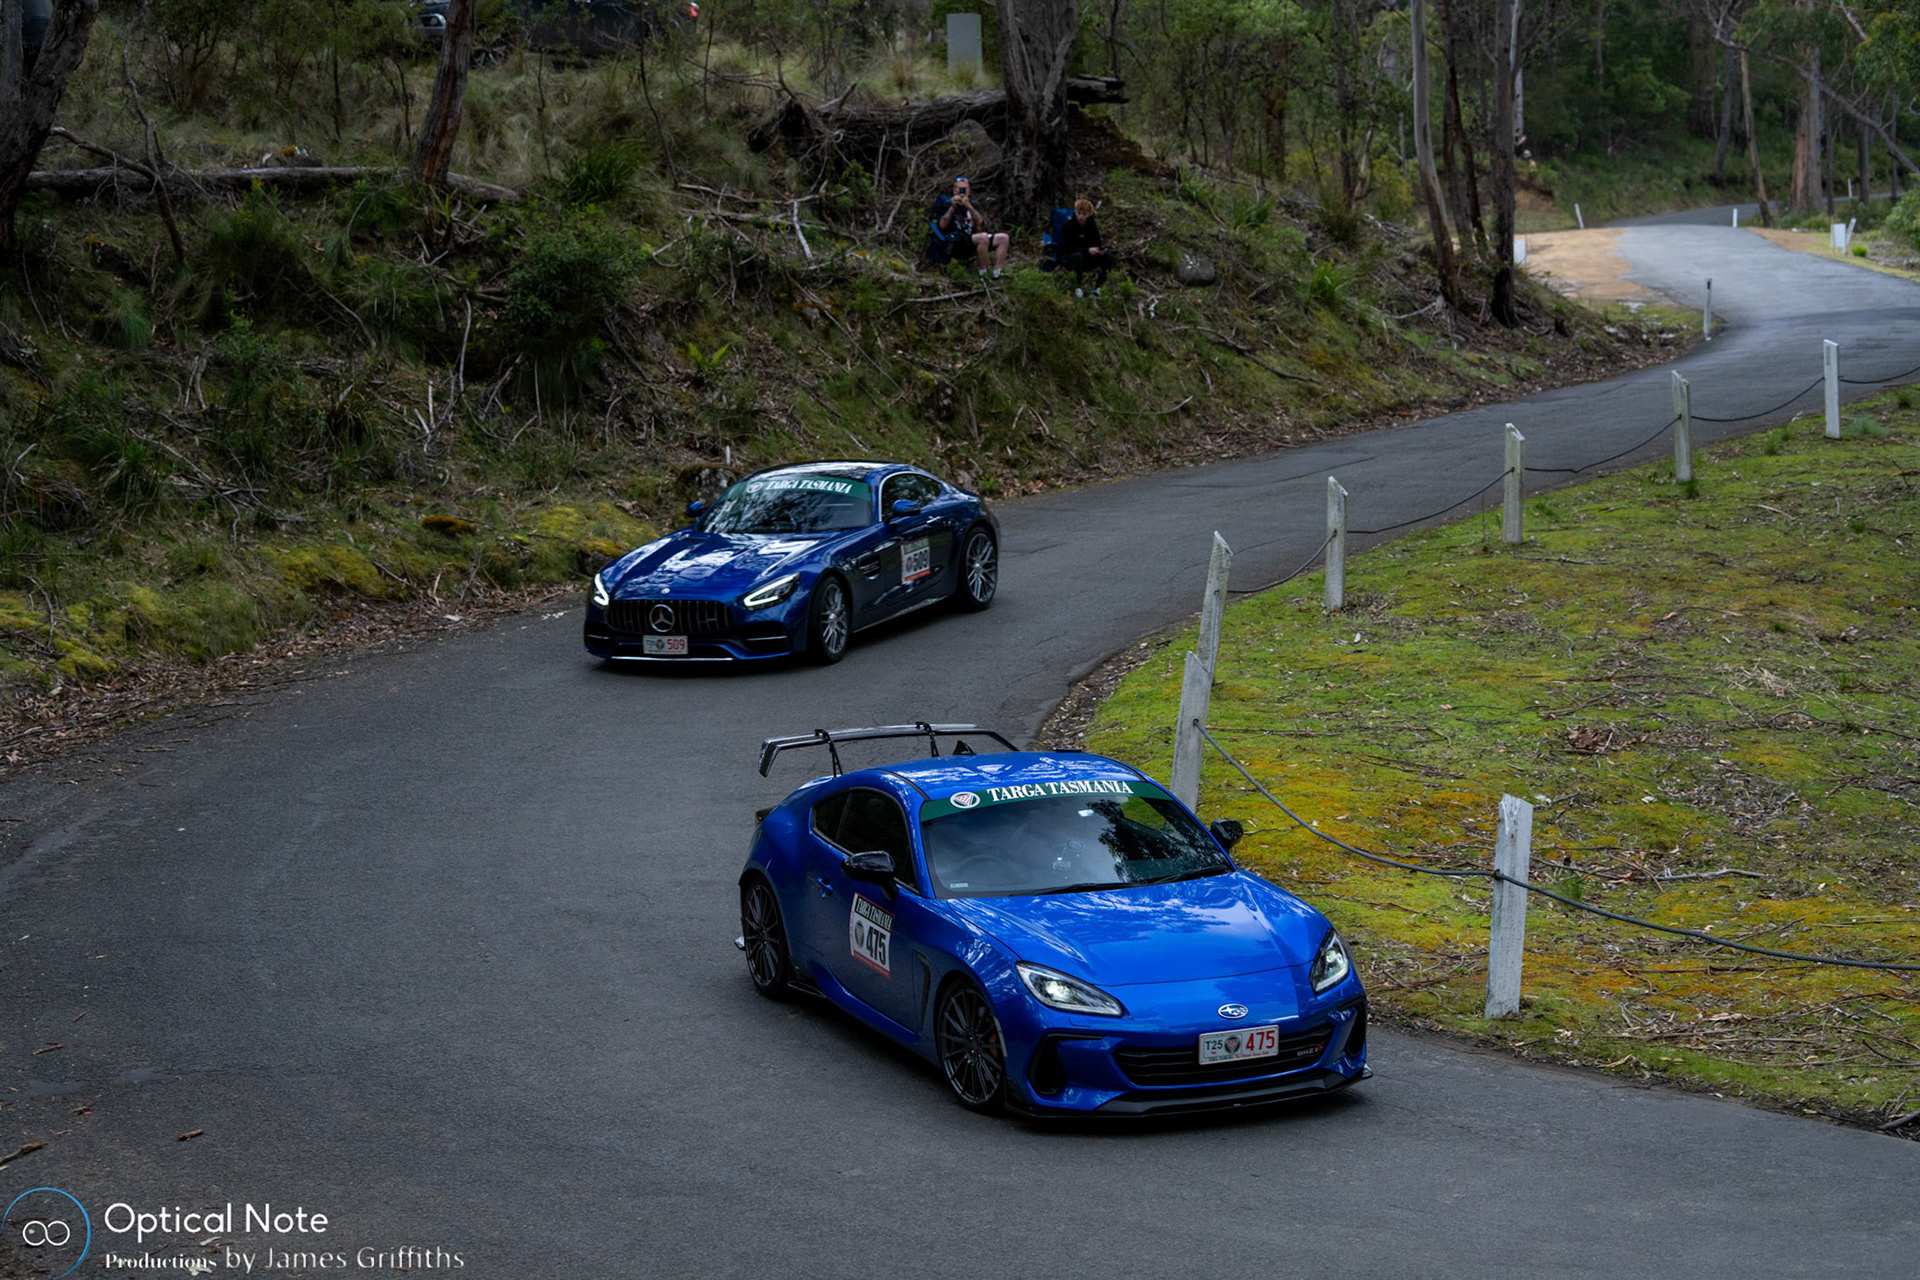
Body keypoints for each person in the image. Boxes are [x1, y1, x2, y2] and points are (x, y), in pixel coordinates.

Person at [928, 177, 1011, 278]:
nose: (962, 192)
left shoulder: (973, 205)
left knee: (1003, 238)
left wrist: (969, 206)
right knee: (983, 237)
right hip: (954, 241)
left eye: (965, 189)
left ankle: (997, 273)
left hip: (971, 239)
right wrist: (952, 207)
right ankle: (983, 274)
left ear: (969, 191)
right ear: (954, 191)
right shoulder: (947, 204)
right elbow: (942, 225)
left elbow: (980, 222)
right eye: (960, 189)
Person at [1055, 198, 1115, 296]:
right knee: (1078, 256)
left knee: (1109, 257)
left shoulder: (1092, 226)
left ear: (1089, 214)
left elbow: (1097, 242)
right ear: (1075, 212)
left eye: (1084, 214)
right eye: (1079, 213)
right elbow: (1067, 247)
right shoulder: (1068, 226)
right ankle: (1078, 288)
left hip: (1088, 258)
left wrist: (1100, 250)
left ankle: (1098, 289)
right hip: (1072, 258)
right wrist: (1087, 250)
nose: (1081, 217)